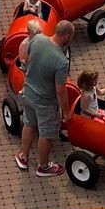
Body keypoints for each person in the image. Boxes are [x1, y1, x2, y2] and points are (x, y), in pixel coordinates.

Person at [16, 18, 74, 176]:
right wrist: (66, 112)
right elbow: (61, 91)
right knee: (46, 134)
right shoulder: (61, 62)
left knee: (29, 124)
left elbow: (27, 61)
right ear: (67, 36)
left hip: (28, 93)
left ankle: (23, 157)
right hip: (45, 102)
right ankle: (43, 167)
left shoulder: (37, 39)